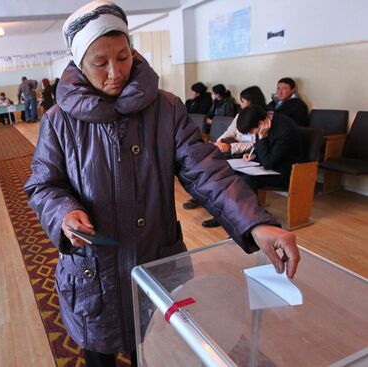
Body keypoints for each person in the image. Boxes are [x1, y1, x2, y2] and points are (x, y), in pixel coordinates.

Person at [24, 2, 300, 366]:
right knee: (99, 356)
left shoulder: (165, 108)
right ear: (78, 63)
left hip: (156, 263)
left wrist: (256, 222)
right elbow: (44, 184)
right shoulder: (59, 122)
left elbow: (206, 171)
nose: (115, 72)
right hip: (95, 276)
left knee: (158, 352)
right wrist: (64, 212)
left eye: (123, 57)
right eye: (100, 63)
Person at [200, 86, 268, 228]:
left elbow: (255, 143)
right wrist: (220, 142)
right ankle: (218, 210)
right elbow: (229, 131)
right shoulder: (240, 115)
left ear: (250, 102)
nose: (240, 104)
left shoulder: (262, 120)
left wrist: (231, 147)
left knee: (223, 172)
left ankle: (232, 214)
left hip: (247, 155)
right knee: (212, 166)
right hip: (237, 152)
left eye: (242, 101)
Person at [237, 104, 303, 191]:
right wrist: (254, 155)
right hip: (269, 166)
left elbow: (268, 163)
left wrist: (261, 138)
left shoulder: (285, 130)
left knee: (247, 179)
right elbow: (263, 150)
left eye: (250, 132)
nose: (251, 134)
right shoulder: (262, 120)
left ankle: (248, 205)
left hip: (284, 172)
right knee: (233, 172)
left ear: (260, 123)